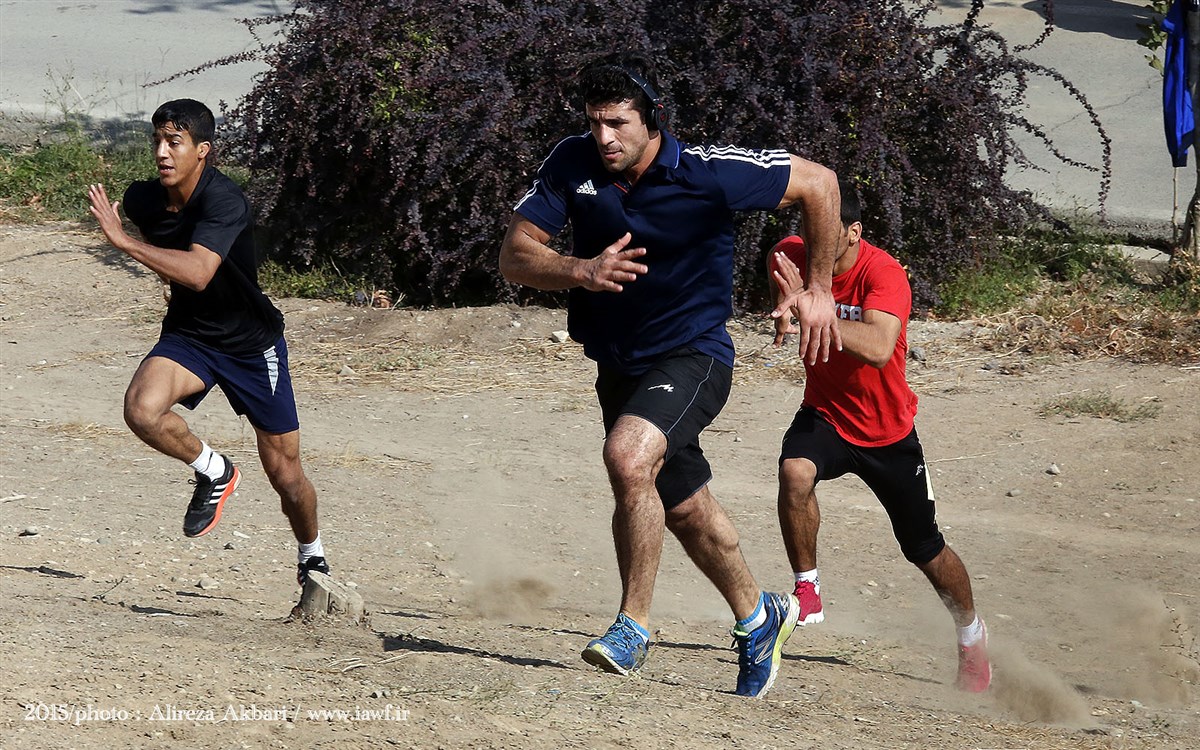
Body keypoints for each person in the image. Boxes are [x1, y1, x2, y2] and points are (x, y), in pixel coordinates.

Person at [499, 53, 843, 697]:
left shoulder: (707, 171)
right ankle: (759, 616)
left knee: (628, 458)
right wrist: (582, 270)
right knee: (684, 508)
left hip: (694, 355)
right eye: (595, 122)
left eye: (618, 123)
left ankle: (632, 627)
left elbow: (819, 184)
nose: (604, 137)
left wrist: (819, 288)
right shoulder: (571, 162)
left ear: (651, 119)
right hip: (618, 364)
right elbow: (515, 256)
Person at [86, 98, 331, 589]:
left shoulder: (225, 201)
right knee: (141, 410)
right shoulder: (142, 200)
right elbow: (170, 257)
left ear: (202, 150)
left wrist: (124, 243)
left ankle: (313, 556)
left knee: (286, 475)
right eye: (157, 140)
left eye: (174, 142)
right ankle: (214, 470)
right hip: (191, 336)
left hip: (250, 345)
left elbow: (198, 273)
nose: (162, 152)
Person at [767, 184, 992, 692]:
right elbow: (779, 266)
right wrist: (787, 300)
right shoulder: (791, 254)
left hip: (887, 432)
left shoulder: (883, 273)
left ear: (854, 233)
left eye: (827, 236)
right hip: (826, 413)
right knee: (794, 472)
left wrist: (814, 311)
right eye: (809, 233)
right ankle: (807, 589)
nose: (814, 246)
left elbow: (877, 346)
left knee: (925, 549)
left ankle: (972, 635)